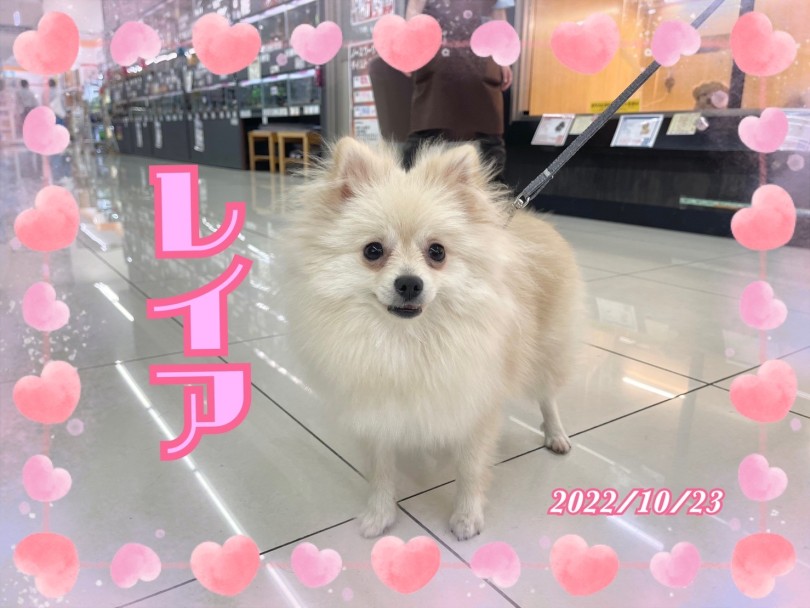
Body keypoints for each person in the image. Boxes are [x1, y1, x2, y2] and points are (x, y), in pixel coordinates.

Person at [402, 0, 514, 181]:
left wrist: (504, 58)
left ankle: (494, 195)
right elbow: (415, 9)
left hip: (482, 60)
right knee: (424, 129)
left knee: (490, 134)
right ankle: (406, 189)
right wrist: (411, 50)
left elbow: (498, 19)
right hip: (436, 58)